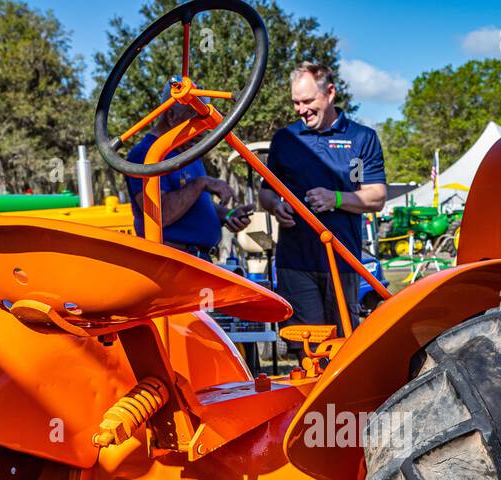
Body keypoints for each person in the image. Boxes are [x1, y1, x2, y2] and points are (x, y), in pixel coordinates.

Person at [258, 62, 386, 334]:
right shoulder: (285, 139)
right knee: (306, 343)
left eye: (307, 101)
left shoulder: (362, 138)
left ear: (330, 93)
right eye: (295, 103)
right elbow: (265, 191)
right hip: (295, 262)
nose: (301, 110)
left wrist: (335, 199)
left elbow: (376, 197)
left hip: (342, 260)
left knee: (342, 343)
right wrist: (275, 206)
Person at [125, 100, 252, 260]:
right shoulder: (145, 154)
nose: (201, 132)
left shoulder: (186, 152)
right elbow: (159, 215)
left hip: (199, 258)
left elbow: (191, 203)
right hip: (172, 260)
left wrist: (227, 215)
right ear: (171, 115)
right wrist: (202, 183)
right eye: (195, 121)